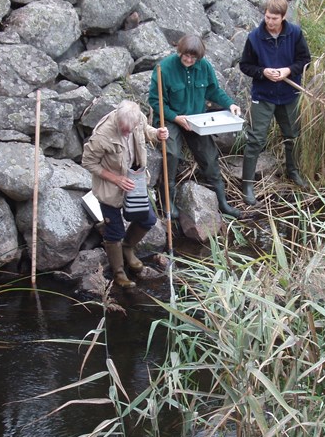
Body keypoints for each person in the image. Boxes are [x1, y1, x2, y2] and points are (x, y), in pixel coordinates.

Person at [148, 34, 242, 219]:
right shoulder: (164, 68)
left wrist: (230, 103)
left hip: (196, 119)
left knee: (208, 154)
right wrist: (175, 118)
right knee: (172, 153)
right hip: (170, 118)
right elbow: (155, 101)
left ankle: (222, 201)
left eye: (193, 58)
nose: (189, 60)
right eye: (186, 56)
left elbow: (213, 90)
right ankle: (168, 200)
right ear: (179, 51)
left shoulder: (204, 67)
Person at [81, 100, 169, 289]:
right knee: (114, 231)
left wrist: (157, 134)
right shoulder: (102, 135)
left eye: (130, 129)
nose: (127, 133)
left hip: (135, 182)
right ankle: (119, 273)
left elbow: (146, 131)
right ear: (117, 120)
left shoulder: (138, 119)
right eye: (123, 130)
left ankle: (128, 248)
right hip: (110, 189)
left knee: (147, 219)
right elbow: (88, 162)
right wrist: (115, 179)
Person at [239, 0, 312, 205]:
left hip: (289, 95)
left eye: (274, 18)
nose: (269, 22)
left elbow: (305, 60)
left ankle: (293, 172)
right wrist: (263, 72)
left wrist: (287, 70)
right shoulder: (254, 37)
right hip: (263, 95)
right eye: (267, 17)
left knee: (292, 135)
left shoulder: (295, 34)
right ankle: (247, 185)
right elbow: (245, 66)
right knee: (255, 139)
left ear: (283, 17)